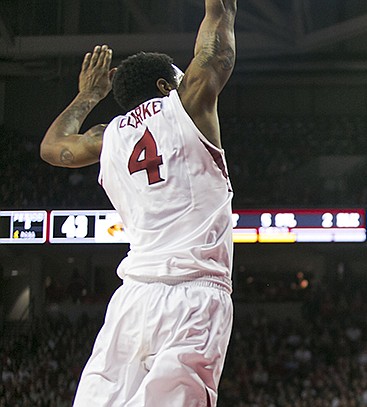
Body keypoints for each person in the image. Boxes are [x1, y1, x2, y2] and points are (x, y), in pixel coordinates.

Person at [40, 0, 237, 405]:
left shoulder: (106, 136)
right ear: (167, 87)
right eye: (179, 78)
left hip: (132, 299)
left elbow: (52, 147)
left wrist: (87, 95)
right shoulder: (187, 105)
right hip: (194, 295)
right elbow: (218, 30)